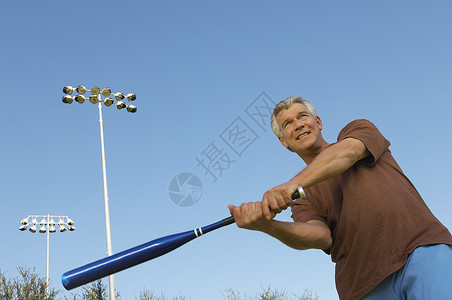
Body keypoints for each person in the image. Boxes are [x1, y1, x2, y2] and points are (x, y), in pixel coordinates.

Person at [228, 96, 452, 300]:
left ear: (319, 122)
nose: (298, 124)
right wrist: (268, 226)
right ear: (284, 141)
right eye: (287, 124)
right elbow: (321, 237)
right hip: (362, 287)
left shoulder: (357, 130)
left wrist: (292, 184)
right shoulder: (301, 200)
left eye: (303, 116)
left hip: (422, 251)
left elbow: (348, 153)